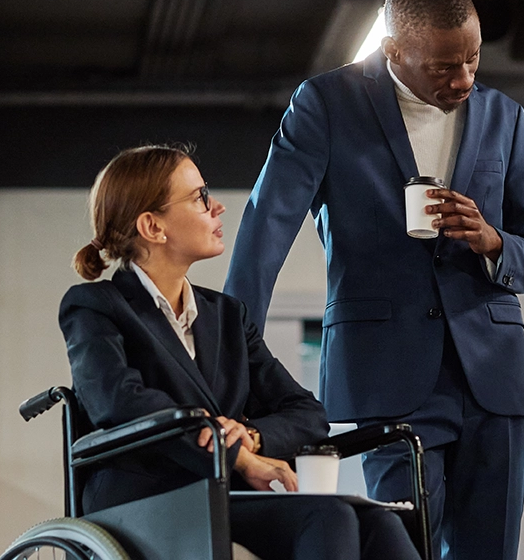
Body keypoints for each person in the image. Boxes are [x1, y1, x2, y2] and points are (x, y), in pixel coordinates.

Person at [222, 0, 524, 558]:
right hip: (385, 374)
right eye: (444, 66)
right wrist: (230, 359)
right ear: (394, 50)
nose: (464, 78)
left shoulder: (506, 117)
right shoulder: (327, 103)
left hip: (493, 378)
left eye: (473, 59)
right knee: (403, 550)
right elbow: (265, 230)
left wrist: (492, 241)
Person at [59, 145, 421, 560]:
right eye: (199, 197)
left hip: (224, 497)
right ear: (153, 226)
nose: (218, 208)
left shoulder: (226, 315)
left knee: (379, 520)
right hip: (144, 500)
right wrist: (239, 457)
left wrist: (252, 435)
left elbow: (307, 413)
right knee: (327, 515)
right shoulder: (95, 307)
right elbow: (121, 402)